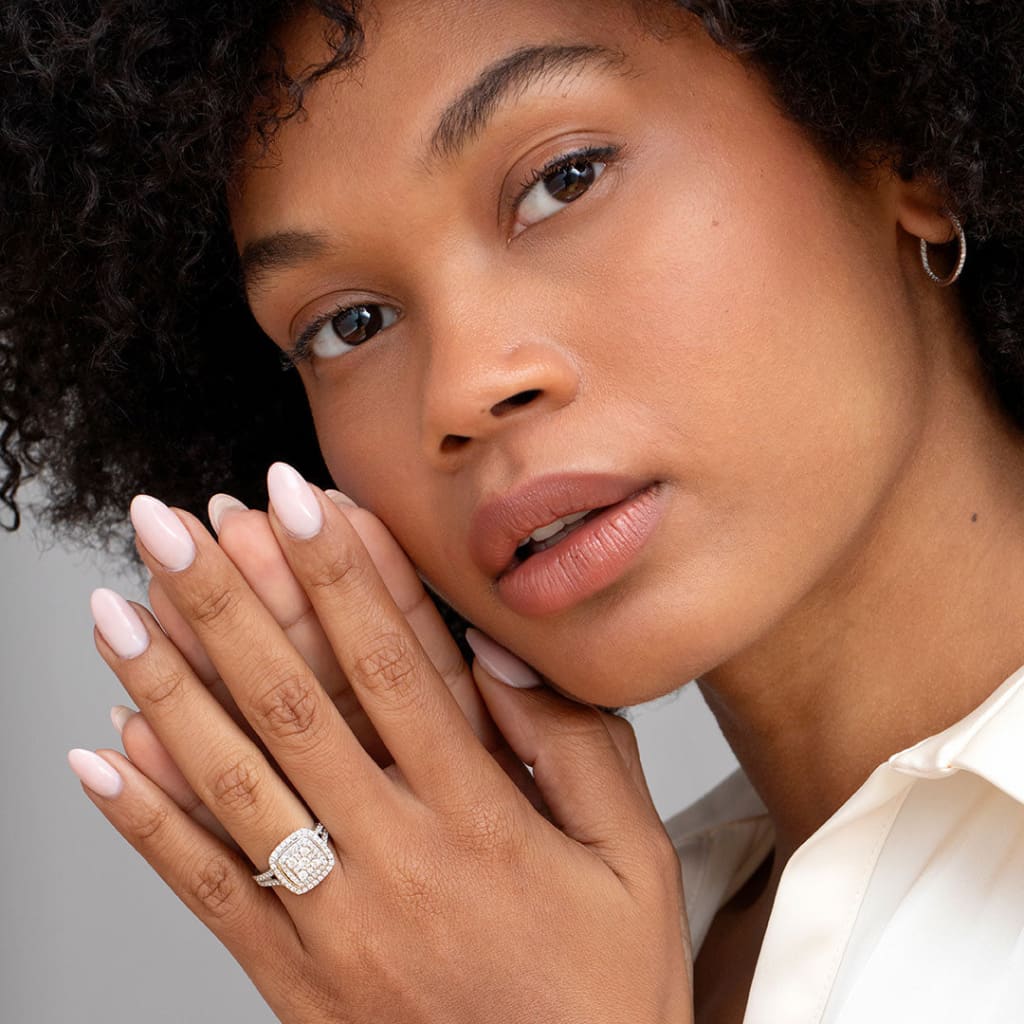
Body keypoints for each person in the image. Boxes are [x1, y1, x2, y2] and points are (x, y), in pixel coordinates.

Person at [3, 1, 1024, 1020]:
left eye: (562, 180)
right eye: (347, 325)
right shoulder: (606, 952)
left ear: (899, 138)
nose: (460, 389)